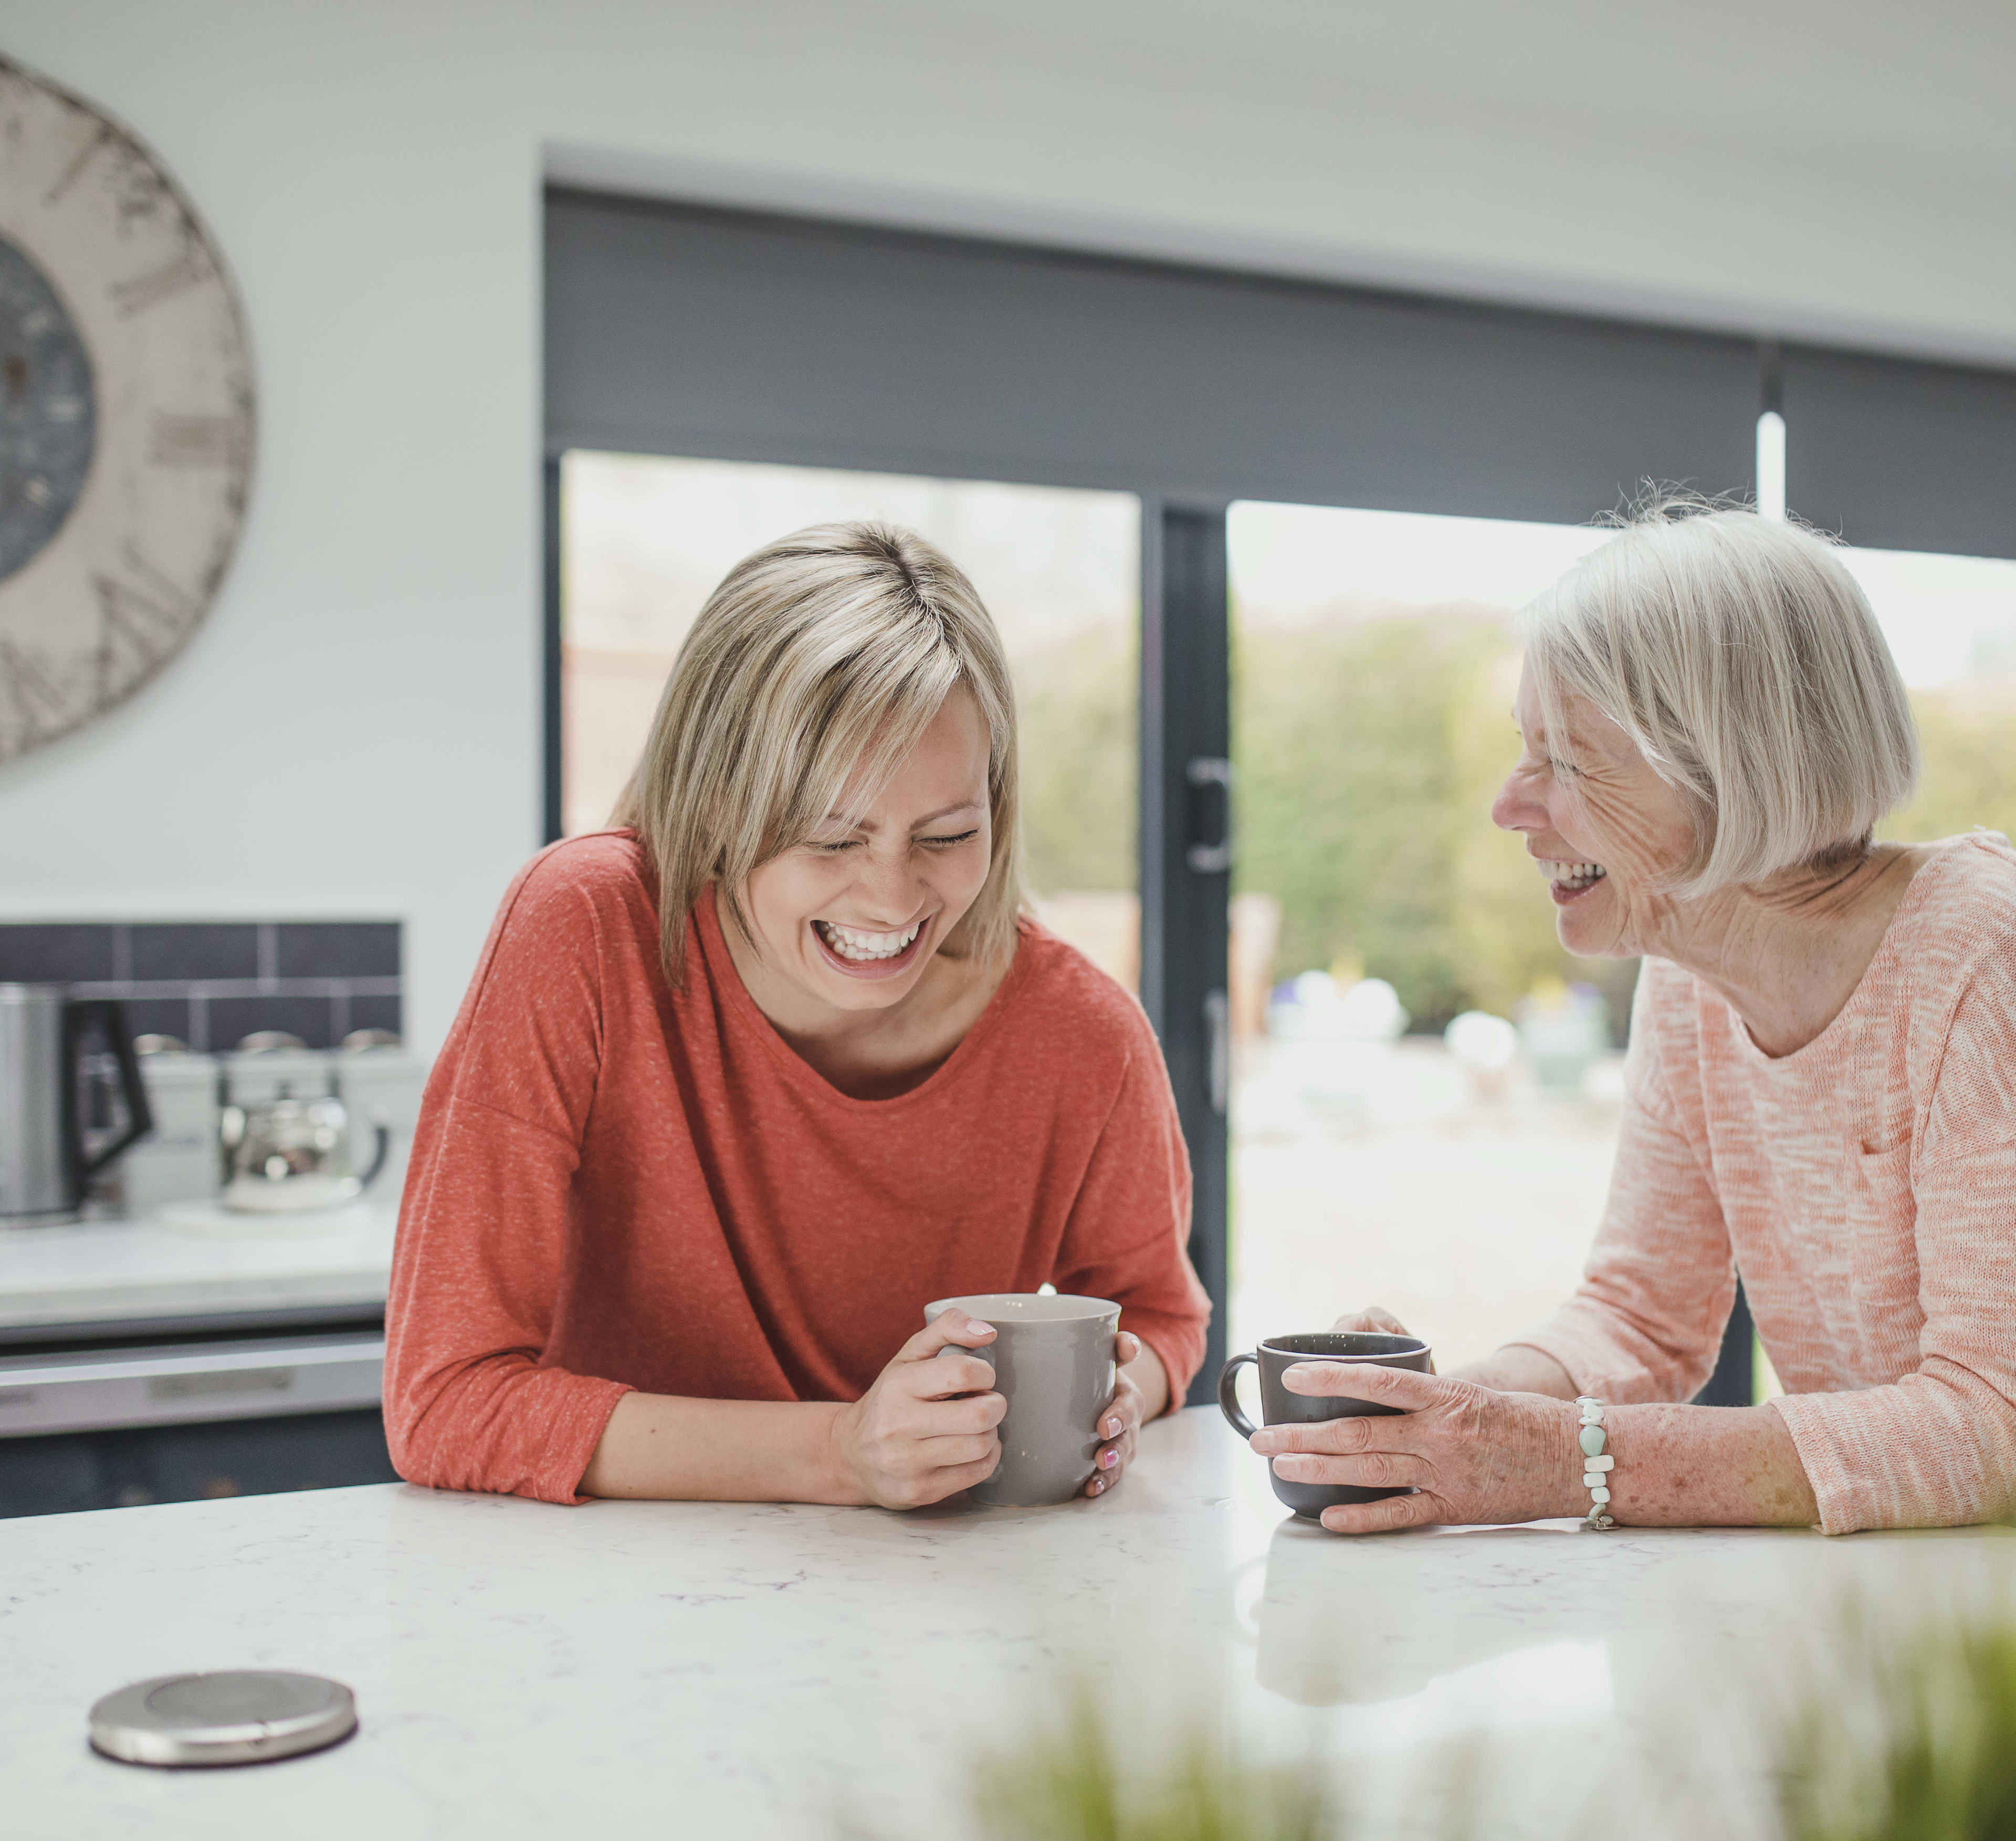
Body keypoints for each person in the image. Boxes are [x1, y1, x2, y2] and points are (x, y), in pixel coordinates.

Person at [385, 523, 1208, 1508]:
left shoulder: (1084, 1036)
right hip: (610, 1596)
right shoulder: (585, 931)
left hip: (940, 1610)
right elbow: (443, 1402)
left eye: (947, 835)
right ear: (714, 804)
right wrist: (839, 1454)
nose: (893, 899)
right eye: (831, 838)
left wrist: (1118, 1391)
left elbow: (1162, 1317)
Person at [1249, 498, 2016, 1537]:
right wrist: (1435, 1422)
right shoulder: (1691, 972)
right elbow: (1638, 1318)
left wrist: (1566, 1462)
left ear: (1727, 763)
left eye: (1565, 759)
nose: (1510, 805)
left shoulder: (1980, 956)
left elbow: (1992, 1420)